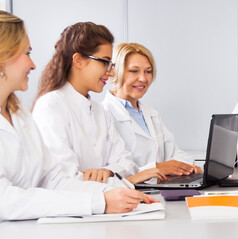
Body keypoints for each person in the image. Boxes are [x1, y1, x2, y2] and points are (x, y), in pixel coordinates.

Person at [0, 10, 156, 220]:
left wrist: (117, 192)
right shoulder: (50, 106)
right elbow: (6, 200)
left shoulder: (20, 116)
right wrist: (101, 200)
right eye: (27, 53)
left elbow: (55, 179)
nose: (33, 64)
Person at [31, 22, 162, 184]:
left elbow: (127, 163)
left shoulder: (100, 112)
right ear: (79, 60)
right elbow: (65, 180)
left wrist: (106, 171)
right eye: (105, 62)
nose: (112, 72)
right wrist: (126, 180)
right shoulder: (50, 107)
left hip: (106, 203)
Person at [102, 42, 201, 182]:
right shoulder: (104, 114)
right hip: (128, 195)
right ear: (115, 71)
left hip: (159, 189)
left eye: (148, 71)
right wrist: (155, 168)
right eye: (134, 71)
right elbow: (109, 172)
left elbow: (174, 153)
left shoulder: (150, 113)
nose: (143, 78)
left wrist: (186, 167)